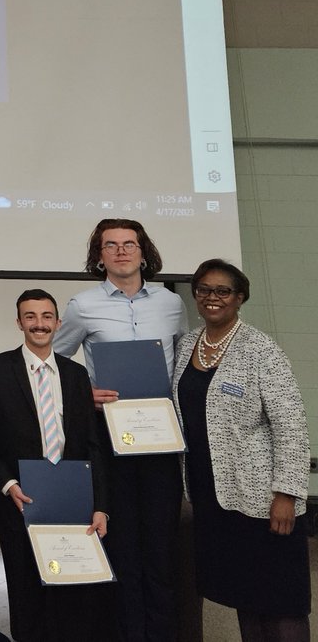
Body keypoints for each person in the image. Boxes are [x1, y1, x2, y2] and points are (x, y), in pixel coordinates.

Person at [53, 218, 188, 642]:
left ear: (143, 251)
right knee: (124, 548)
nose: (121, 251)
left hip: (162, 443)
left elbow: (183, 361)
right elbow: (54, 364)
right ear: (99, 256)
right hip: (111, 440)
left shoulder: (171, 304)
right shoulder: (82, 305)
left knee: (162, 550)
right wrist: (84, 393)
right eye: (110, 245)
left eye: (129, 244)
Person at [172, 259, 310, 642]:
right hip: (214, 498)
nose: (212, 298)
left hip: (263, 500)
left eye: (223, 291)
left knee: (281, 600)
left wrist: (286, 493)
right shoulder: (187, 346)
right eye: (204, 290)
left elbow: (292, 425)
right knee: (245, 595)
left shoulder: (261, 350)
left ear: (240, 298)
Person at [0, 289, 110, 642]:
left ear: (58, 323)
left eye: (46, 317)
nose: (39, 324)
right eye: (30, 317)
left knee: (71, 597)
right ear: (19, 323)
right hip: (20, 499)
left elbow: (93, 444)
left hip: (71, 502)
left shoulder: (76, 375)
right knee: (26, 593)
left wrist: (100, 505)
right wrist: (6, 483)